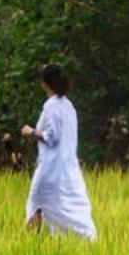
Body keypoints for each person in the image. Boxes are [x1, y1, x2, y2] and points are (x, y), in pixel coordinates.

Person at [21, 64, 96, 241]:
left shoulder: (51, 106)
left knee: (36, 204)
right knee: (68, 206)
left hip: (50, 169)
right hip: (68, 169)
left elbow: (52, 137)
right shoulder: (69, 106)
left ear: (44, 83)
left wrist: (30, 132)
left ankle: (29, 245)